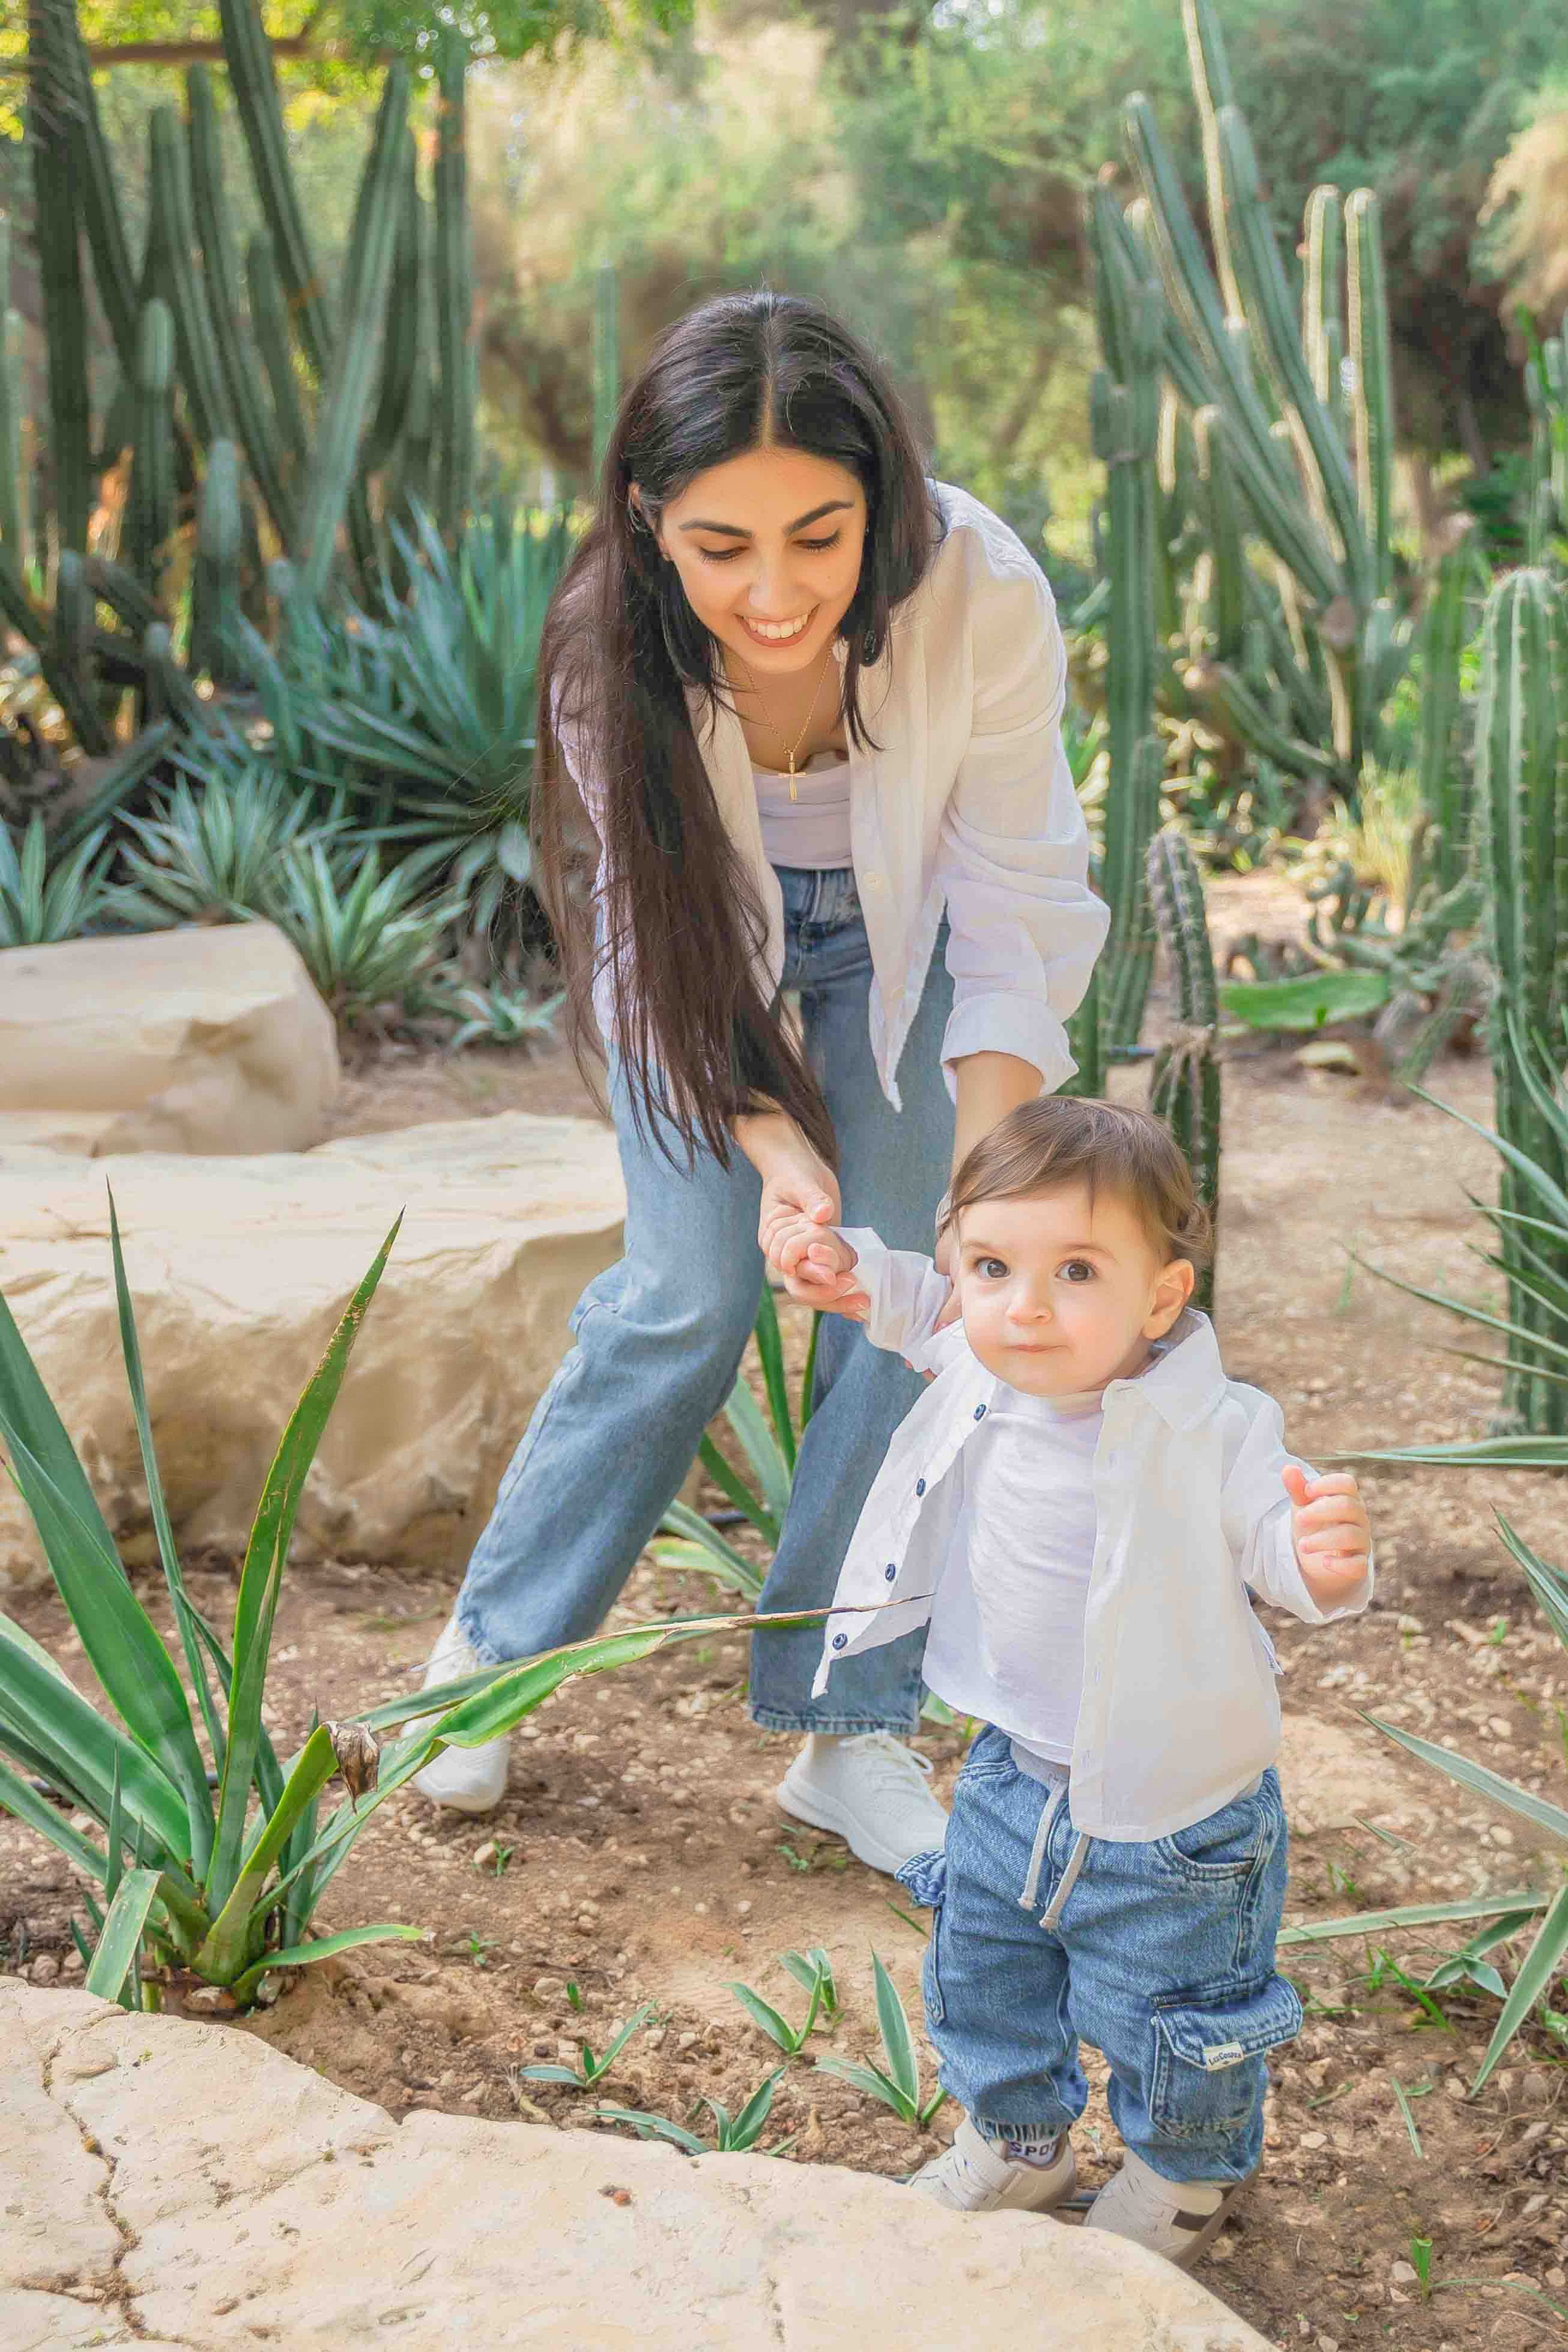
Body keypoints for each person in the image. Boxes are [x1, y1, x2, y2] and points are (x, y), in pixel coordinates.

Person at [413, 289, 1107, 1877]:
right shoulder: (610, 644)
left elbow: (1013, 904)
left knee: (922, 1293)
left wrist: (980, 1203)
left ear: (885, 503)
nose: (776, 593)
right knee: (687, 1295)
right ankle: (487, 1666)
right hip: (686, 967)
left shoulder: (980, 589)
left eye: (821, 535)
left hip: (911, 941)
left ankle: (845, 1727)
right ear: (653, 520)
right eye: (723, 545)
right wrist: (767, 1138)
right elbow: (643, 939)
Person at [780, 1095, 1373, 2265]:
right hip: (1009, 1771)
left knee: (1176, 2016)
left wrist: (1319, 1563)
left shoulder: (1215, 1425)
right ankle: (1019, 2139)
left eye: (1078, 1271)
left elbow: (1271, 1531)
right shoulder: (984, 1359)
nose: (1026, 1306)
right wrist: (848, 1269)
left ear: (1163, 1295)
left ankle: (1177, 2178)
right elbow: (915, 1302)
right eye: (995, 1264)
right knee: (984, 1968)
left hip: (1179, 1819)